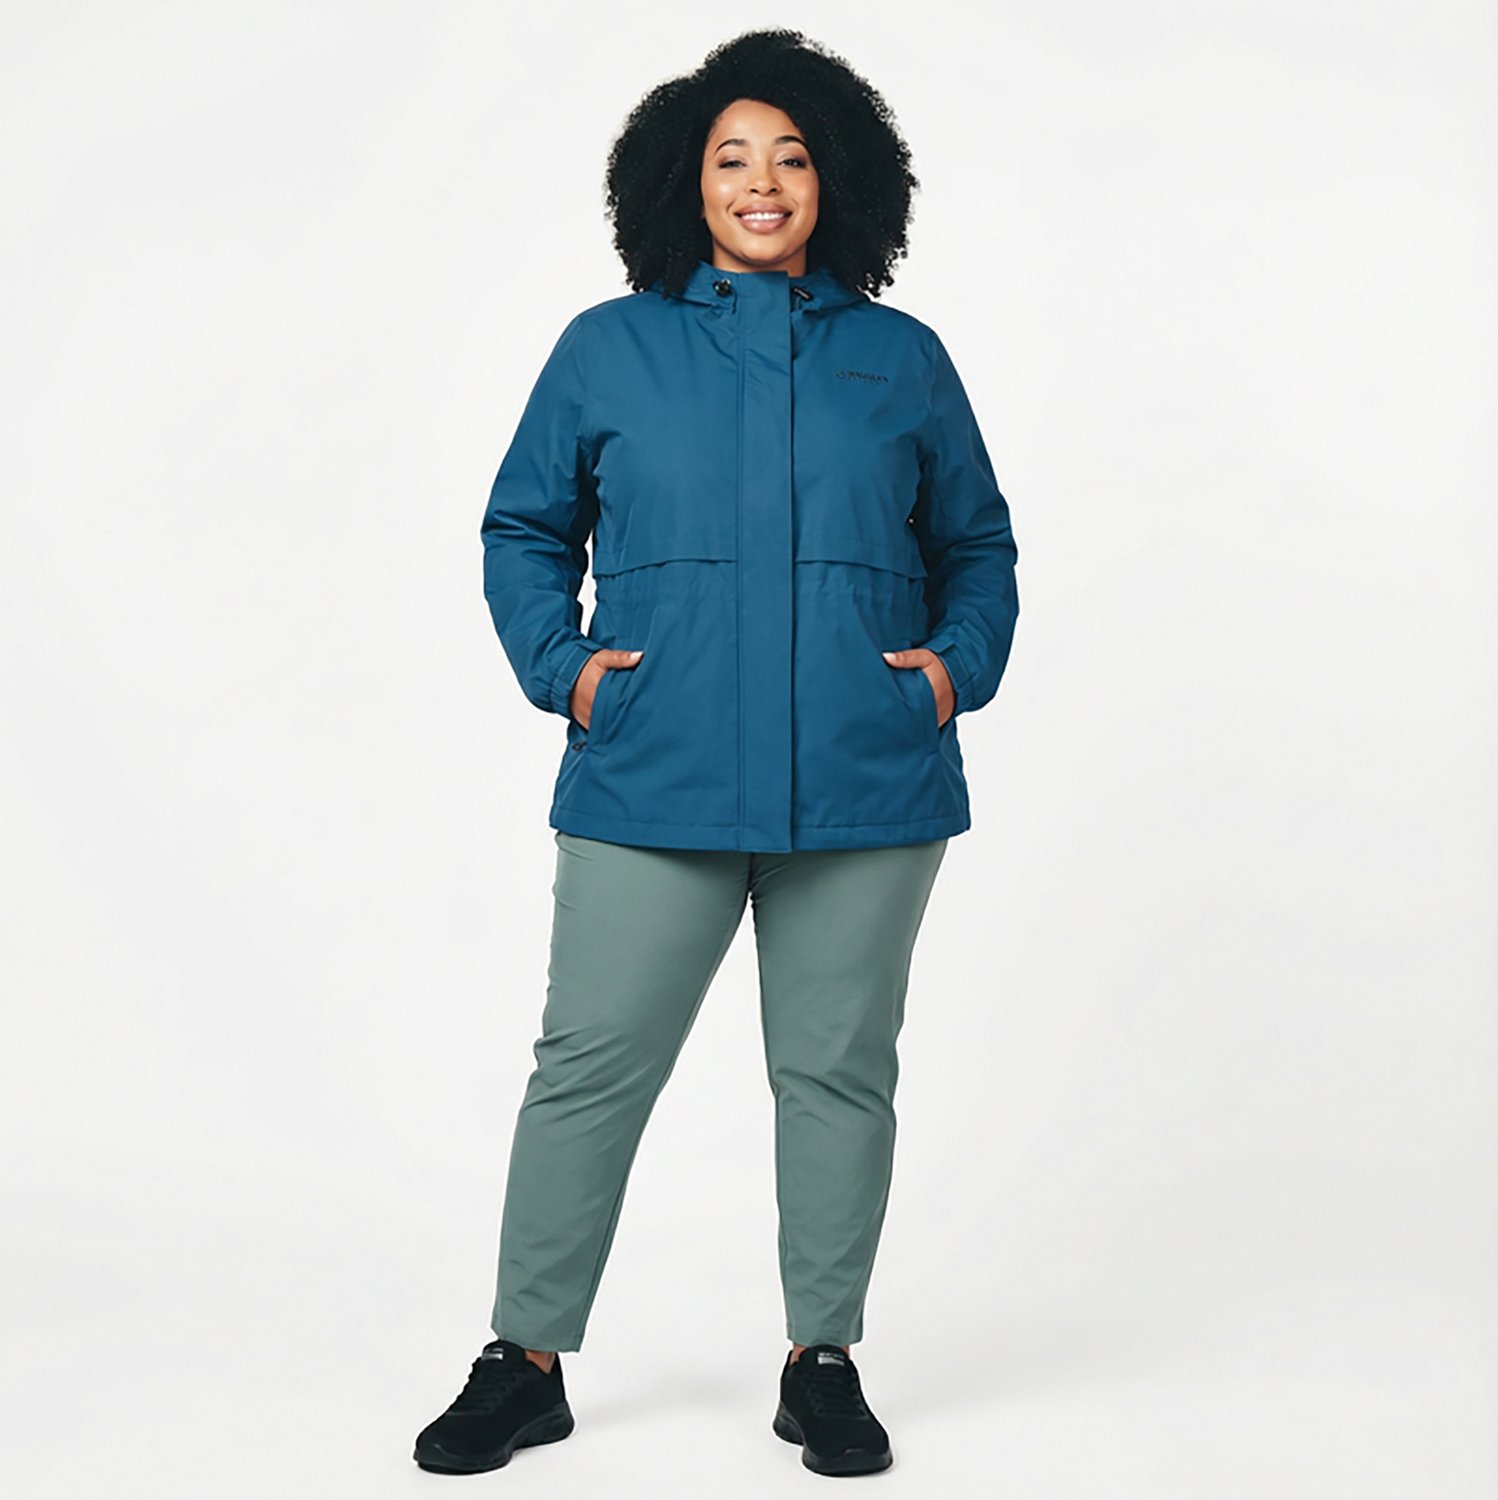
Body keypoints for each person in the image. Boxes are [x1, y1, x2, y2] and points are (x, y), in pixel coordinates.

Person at [413, 27, 1020, 1480]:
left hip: (867, 784)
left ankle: (823, 1362)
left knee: (837, 1076)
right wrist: (566, 673)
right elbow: (523, 528)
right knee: (588, 1068)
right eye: (732, 157)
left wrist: (950, 672)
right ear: (683, 182)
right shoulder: (607, 347)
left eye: (792, 157)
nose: (762, 183)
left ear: (836, 181)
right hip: (653, 776)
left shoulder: (901, 358)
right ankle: (525, 1360)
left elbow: (979, 547)